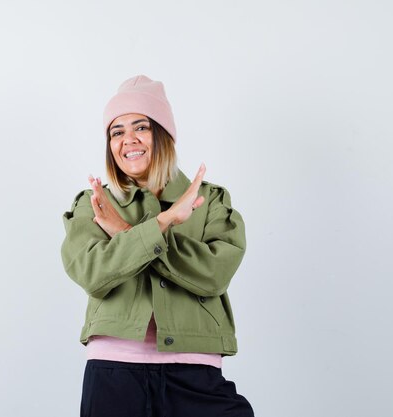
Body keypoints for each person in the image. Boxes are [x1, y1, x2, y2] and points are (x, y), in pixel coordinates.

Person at [61, 75, 254, 417]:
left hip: (194, 371)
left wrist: (124, 233)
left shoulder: (209, 201)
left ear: (163, 135)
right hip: (113, 373)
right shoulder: (93, 203)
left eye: (141, 127)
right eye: (116, 132)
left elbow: (213, 275)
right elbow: (92, 273)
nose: (128, 140)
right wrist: (163, 224)